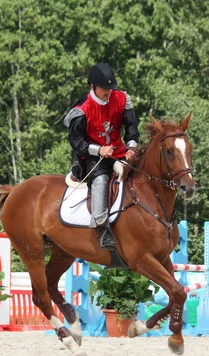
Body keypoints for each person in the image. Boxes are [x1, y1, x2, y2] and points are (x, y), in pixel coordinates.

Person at [64, 63, 139, 250]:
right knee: (101, 179)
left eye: (110, 88)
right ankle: (102, 226)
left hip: (119, 150)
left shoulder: (121, 99)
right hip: (92, 156)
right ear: (92, 87)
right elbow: (76, 141)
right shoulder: (81, 110)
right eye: (104, 89)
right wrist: (98, 150)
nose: (109, 92)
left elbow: (131, 126)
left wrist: (131, 147)